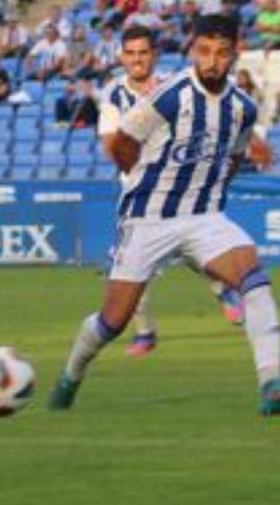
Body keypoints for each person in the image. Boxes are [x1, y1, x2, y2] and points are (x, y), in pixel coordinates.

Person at [48, 15, 280, 416]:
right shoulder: (170, 95)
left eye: (222, 53)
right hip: (148, 218)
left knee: (253, 277)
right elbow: (122, 142)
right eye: (205, 51)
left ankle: (271, 384)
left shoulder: (242, 107)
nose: (212, 61)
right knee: (113, 321)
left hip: (203, 216)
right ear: (193, 51)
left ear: (234, 54)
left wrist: (213, 190)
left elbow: (237, 153)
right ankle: (70, 377)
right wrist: (138, 173)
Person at [97, 26, 245, 358]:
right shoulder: (113, 95)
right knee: (128, 270)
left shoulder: (173, 86)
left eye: (143, 53)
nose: (137, 60)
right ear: (121, 57)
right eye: (130, 54)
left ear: (154, 55)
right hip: (139, 195)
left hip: (179, 188)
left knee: (197, 249)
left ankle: (223, 289)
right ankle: (145, 333)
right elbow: (110, 141)